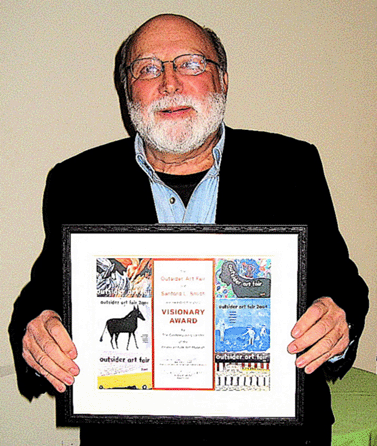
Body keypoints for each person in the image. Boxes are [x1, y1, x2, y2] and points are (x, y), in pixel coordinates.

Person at [8, 13, 369, 445]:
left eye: (190, 64)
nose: (170, 83)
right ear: (128, 91)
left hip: (273, 435)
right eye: (148, 69)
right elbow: (43, 295)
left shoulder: (292, 166)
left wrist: (337, 318)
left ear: (223, 80)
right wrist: (37, 330)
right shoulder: (78, 181)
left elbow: (342, 282)